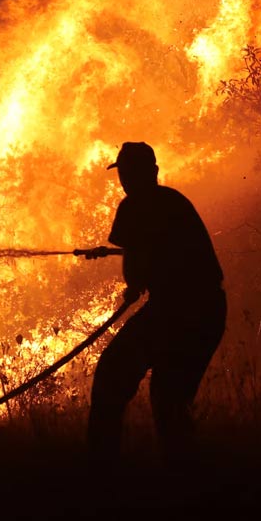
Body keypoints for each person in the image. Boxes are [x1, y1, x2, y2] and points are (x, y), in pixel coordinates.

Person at [85, 141, 226, 462]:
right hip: (210, 310)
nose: (124, 179)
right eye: (123, 172)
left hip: (177, 310)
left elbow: (136, 271)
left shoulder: (133, 205)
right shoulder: (173, 200)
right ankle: (184, 480)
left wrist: (132, 286)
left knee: (111, 376)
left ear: (150, 172)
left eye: (128, 172)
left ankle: (99, 471)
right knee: (170, 400)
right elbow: (164, 248)